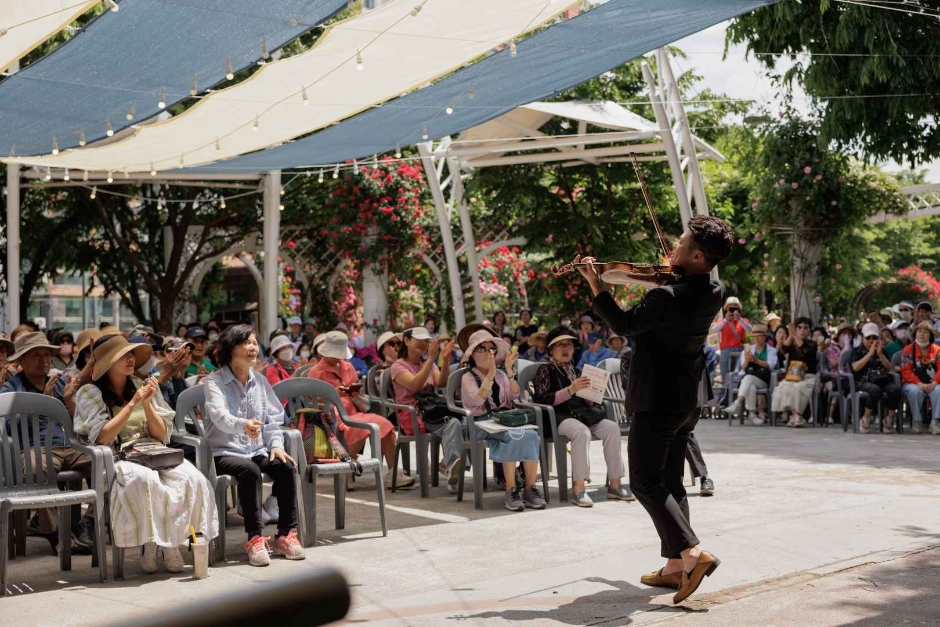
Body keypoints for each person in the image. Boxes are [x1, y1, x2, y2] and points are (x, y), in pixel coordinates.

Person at [577, 215, 733, 604]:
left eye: (681, 243)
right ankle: (675, 565)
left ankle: (693, 553)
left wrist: (596, 284)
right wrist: (660, 278)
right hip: (688, 399)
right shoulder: (715, 289)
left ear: (698, 255)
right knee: (671, 481)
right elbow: (674, 291)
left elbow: (624, 324)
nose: (673, 247)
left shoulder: (667, 297)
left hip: (657, 399)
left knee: (645, 482)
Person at [73, 334, 218, 573]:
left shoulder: (143, 384)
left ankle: (170, 544)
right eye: (124, 355)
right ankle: (151, 542)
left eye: (132, 354)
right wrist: (132, 404)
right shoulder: (90, 392)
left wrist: (148, 404)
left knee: (193, 478)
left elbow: (161, 434)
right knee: (144, 480)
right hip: (118, 454)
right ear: (108, 361)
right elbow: (103, 437)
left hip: (153, 450)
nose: (131, 359)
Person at [203, 325, 305, 567]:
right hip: (223, 451)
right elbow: (219, 416)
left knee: (285, 466)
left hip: (256, 449)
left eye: (254, 343)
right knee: (250, 471)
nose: (252, 348)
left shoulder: (259, 381)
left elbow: (273, 419)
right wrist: (243, 425)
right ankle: (255, 538)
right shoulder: (213, 382)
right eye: (245, 343)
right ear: (230, 349)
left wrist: (276, 445)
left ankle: (285, 534)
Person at [1, 332, 95, 552]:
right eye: (36, 355)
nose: (44, 360)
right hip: (38, 448)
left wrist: (69, 400)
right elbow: (8, 427)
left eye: (47, 355)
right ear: (21, 360)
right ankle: (54, 533)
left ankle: (88, 524)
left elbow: (79, 422)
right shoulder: (11, 389)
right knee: (34, 470)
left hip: (71, 446)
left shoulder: (59, 382)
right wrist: (42, 402)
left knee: (109, 466)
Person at [532, 326, 633, 508]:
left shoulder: (575, 370)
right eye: (560, 345)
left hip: (581, 414)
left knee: (612, 428)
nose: (566, 349)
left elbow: (586, 402)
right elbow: (542, 399)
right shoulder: (545, 369)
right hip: (558, 417)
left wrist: (590, 396)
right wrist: (571, 390)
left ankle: (615, 484)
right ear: (551, 349)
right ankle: (579, 489)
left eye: (569, 345)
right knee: (582, 432)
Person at [309, 332, 413, 489]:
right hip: (332, 415)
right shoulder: (316, 371)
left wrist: (354, 393)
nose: (337, 358)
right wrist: (333, 393)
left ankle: (393, 473)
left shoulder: (348, 367)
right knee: (357, 427)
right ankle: (346, 468)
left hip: (353, 412)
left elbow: (356, 389)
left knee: (384, 424)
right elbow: (311, 399)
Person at [460, 330, 545, 511]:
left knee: (531, 434)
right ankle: (510, 490)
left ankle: (530, 488)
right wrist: (490, 374)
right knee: (513, 436)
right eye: (482, 348)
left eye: (491, 348)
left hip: (504, 420)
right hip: (479, 423)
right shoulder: (468, 377)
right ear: (472, 354)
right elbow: (477, 400)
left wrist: (509, 372)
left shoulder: (501, 375)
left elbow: (514, 396)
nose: (488, 352)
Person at [390, 327, 461, 493]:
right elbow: (415, 385)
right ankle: (450, 467)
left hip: (431, 411)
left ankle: (449, 466)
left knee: (461, 423)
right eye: (419, 340)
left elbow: (441, 382)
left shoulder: (426, 363)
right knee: (453, 424)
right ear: (407, 341)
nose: (423, 343)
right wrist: (430, 359)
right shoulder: (398, 366)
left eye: (426, 340)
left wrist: (445, 360)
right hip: (412, 415)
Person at [850, 322, 901, 433]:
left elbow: (889, 368)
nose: (871, 340)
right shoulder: (856, 350)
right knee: (875, 390)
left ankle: (889, 419)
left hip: (881, 379)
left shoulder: (882, 350)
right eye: (868, 337)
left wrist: (880, 355)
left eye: (874, 337)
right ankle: (865, 419)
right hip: (863, 380)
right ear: (863, 338)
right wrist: (869, 354)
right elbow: (855, 367)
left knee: (896, 389)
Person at [724, 324, 777, 426]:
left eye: (759, 336)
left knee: (748, 378)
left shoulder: (771, 350)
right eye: (754, 337)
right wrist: (747, 360)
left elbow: (770, 365)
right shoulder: (748, 350)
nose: (756, 339)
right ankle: (752, 414)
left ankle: (737, 403)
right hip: (749, 379)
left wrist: (756, 361)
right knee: (751, 386)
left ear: (765, 337)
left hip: (763, 380)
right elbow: (742, 369)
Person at [771, 318, 818, 428]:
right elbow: (783, 350)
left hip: (807, 377)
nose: (802, 330)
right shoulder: (792, 341)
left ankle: (797, 415)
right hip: (792, 376)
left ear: (809, 330)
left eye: (805, 328)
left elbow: (803, 350)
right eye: (799, 328)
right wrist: (790, 335)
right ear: (796, 329)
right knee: (782, 387)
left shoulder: (812, 344)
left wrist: (794, 335)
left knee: (798, 388)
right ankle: (795, 415)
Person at [900, 321, 940, 435]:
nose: (922, 334)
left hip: (933, 383)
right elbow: (906, 370)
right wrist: (919, 383)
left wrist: (934, 383)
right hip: (913, 383)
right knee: (914, 391)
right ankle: (916, 421)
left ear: (930, 335)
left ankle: (935, 421)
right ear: (915, 334)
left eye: (926, 332)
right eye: (919, 331)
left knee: (939, 390)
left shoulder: (937, 350)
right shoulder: (907, 349)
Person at [711, 296, 752, 388]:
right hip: (725, 350)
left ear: (739, 307)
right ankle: (726, 392)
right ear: (726, 307)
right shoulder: (722, 321)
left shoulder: (743, 320)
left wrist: (739, 319)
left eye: (735, 305)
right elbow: (714, 330)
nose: (733, 307)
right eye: (730, 305)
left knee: (738, 373)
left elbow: (750, 329)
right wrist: (726, 320)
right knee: (725, 373)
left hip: (740, 350)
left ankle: (737, 391)